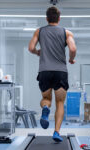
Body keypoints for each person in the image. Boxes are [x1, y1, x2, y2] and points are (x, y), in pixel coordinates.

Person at [28, 6, 76, 142]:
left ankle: (45, 108)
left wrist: (38, 52)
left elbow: (31, 48)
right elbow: (72, 48)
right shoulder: (66, 32)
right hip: (60, 72)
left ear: (47, 18)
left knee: (46, 99)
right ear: (59, 19)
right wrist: (71, 59)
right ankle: (56, 132)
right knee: (60, 102)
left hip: (44, 71)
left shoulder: (39, 31)